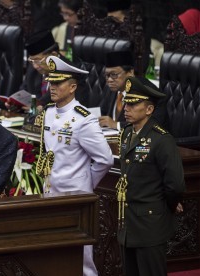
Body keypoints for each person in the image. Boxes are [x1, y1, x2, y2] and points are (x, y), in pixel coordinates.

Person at [36, 56, 114, 276]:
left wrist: (84, 184)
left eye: (58, 83)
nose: (53, 87)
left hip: (75, 196)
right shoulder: (49, 112)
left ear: (72, 87)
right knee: (53, 254)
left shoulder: (83, 119)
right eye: (51, 82)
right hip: (51, 193)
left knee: (81, 260)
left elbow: (105, 159)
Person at [116, 76, 185, 275]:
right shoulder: (127, 133)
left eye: (133, 104)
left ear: (149, 109)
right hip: (127, 224)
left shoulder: (161, 139)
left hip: (149, 225)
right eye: (126, 103)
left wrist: (170, 204)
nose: (127, 108)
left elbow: (175, 185)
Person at [99, 50, 167, 130]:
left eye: (114, 74)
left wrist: (117, 125)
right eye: (107, 75)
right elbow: (103, 113)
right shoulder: (113, 88)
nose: (109, 80)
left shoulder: (147, 92)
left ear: (130, 72)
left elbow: (152, 125)